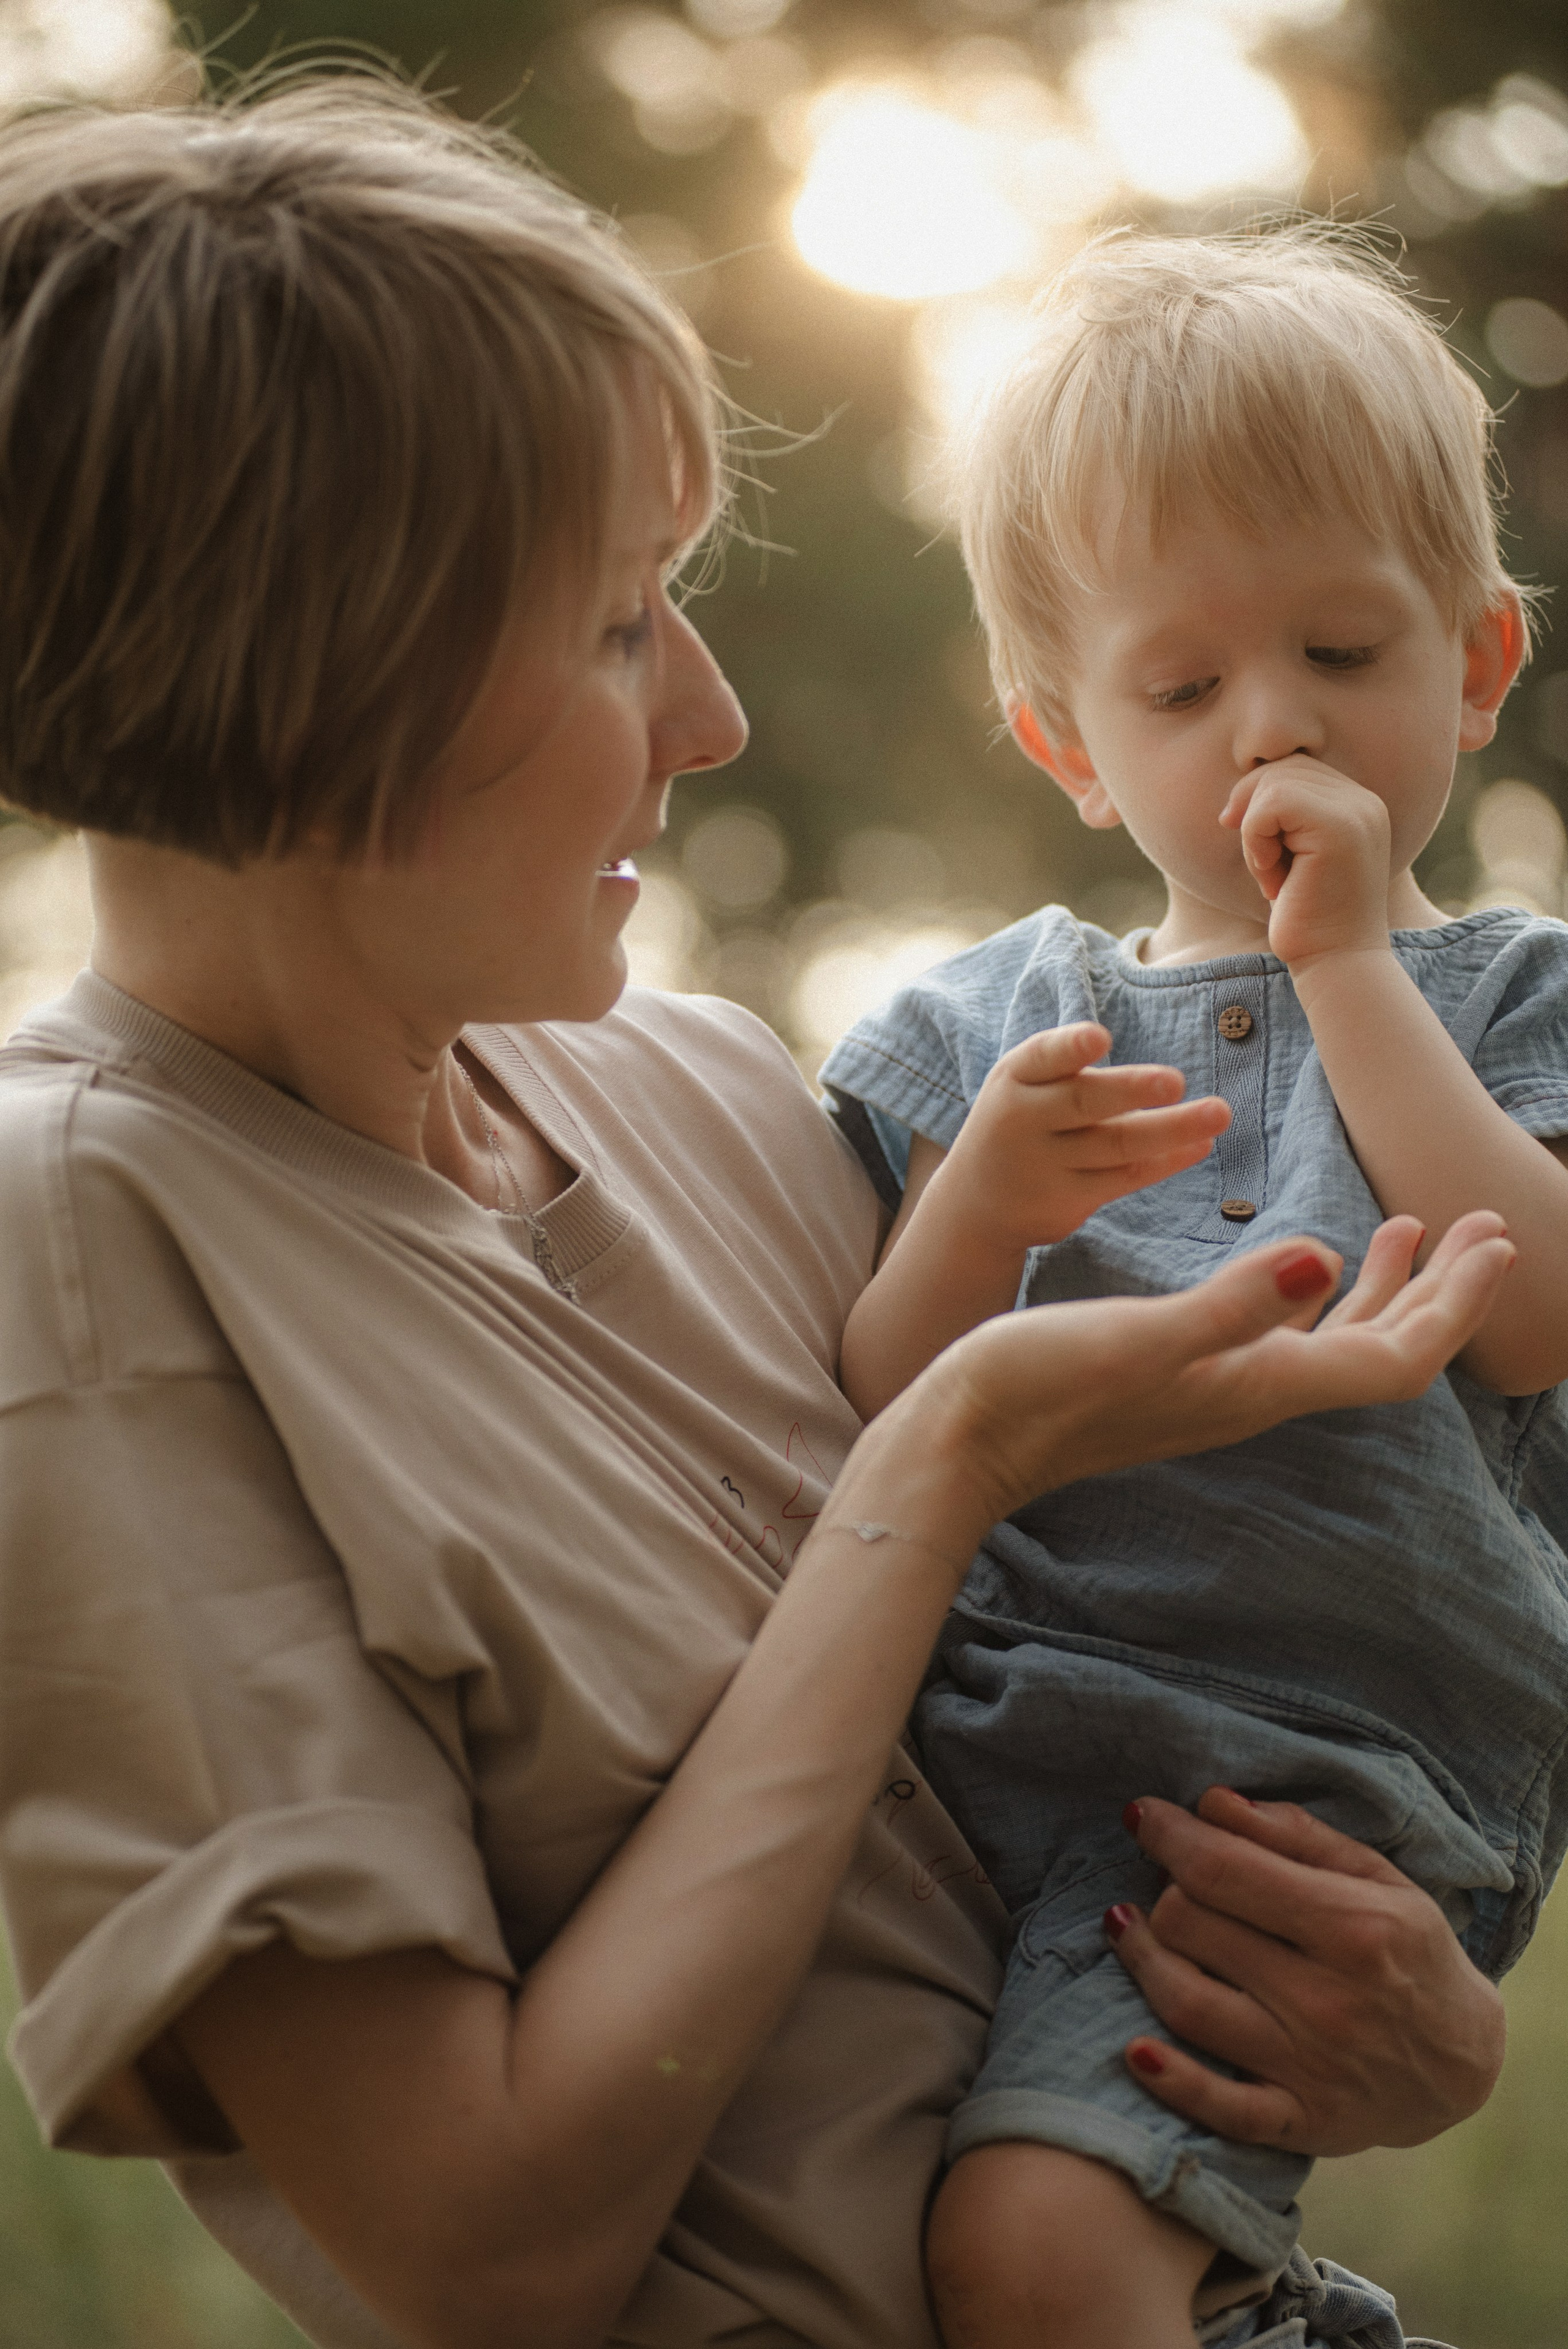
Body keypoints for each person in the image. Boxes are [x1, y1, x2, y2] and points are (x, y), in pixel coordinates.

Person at [0, 88, 1517, 2349]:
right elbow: (492, 2256)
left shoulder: (711, 1088)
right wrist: (947, 1455)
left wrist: (1418, 2022)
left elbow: (1152, 1718)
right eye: (617, 629)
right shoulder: (79, 1248)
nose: (707, 714)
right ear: (322, 684)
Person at [820, 228, 1568, 2349]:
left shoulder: (1512, 991)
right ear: (1066, 741)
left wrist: (1345, 969)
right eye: (1181, 689)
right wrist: (975, 1201)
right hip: (982, 1734)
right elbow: (884, 1394)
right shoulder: (995, 1028)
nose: (1271, 729)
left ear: (1480, 664)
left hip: (1295, 1778)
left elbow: (1533, 1311)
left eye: (1345, 650)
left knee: (1038, 2259)